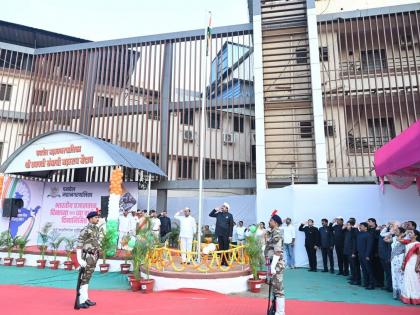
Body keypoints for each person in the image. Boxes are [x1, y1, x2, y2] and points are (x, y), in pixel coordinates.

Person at [75, 211, 101, 309]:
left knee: (88, 277)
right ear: (90, 219)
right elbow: (79, 244)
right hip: (87, 257)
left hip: (93, 256)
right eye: (95, 217)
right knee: (84, 277)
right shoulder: (85, 230)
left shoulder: (96, 229)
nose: (97, 219)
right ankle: (81, 300)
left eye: (98, 217)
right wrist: (79, 259)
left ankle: (85, 298)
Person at [264, 213, 285, 315]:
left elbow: (277, 251)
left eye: (271, 220)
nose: (269, 222)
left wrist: (272, 267)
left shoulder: (276, 233)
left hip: (276, 264)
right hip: (272, 263)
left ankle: (280, 312)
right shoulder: (272, 232)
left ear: (275, 223)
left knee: (278, 289)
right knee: (274, 289)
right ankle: (275, 309)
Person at [400, 229, 420, 305]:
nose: (410, 234)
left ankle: (415, 298)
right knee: (407, 279)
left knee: (414, 279)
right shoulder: (408, 242)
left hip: (414, 262)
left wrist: (417, 266)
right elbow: (399, 239)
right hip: (407, 263)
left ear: (416, 235)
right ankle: (408, 297)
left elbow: (419, 255)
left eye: (411, 233)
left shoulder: (417, 244)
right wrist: (405, 233)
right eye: (410, 233)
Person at [357, 222, 374, 290]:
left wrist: (367, 255)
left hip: (366, 255)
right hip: (360, 254)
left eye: (361, 226)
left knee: (369, 270)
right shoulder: (359, 234)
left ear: (366, 227)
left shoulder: (369, 235)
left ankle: (371, 284)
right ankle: (366, 282)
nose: (360, 227)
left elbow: (369, 246)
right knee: (363, 269)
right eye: (360, 226)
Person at [389, 226, 405, 299]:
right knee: (394, 275)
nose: (395, 232)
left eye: (397, 231)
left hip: (400, 258)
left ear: (401, 232)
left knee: (400, 276)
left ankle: (402, 294)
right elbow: (385, 239)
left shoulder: (405, 239)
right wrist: (390, 233)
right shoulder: (394, 238)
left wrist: (403, 235)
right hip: (393, 258)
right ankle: (396, 294)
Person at [368, 218, 384, 287]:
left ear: (373, 222)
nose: (368, 223)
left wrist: (377, 252)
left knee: (379, 268)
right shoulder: (368, 229)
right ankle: (374, 281)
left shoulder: (378, 230)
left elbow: (378, 239)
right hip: (369, 251)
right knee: (372, 267)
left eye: (369, 221)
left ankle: (380, 282)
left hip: (376, 251)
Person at [344, 219, 360, 285]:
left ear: (351, 225)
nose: (346, 226)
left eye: (347, 225)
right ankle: (353, 278)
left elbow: (355, 243)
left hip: (352, 252)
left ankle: (357, 280)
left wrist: (354, 252)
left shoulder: (354, 232)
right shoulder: (348, 232)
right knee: (352, 266)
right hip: (348, 252)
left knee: (355, 266)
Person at [379, 223, 393, 292]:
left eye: (391, 226)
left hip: (387, 257)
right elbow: (382, 233)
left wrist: (388, 257)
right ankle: (388, 286)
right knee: (387, 272)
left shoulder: (391, 235)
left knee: (389, 272)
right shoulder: (385, 234)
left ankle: (390, 287)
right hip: (382, 256)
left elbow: (389, 249)